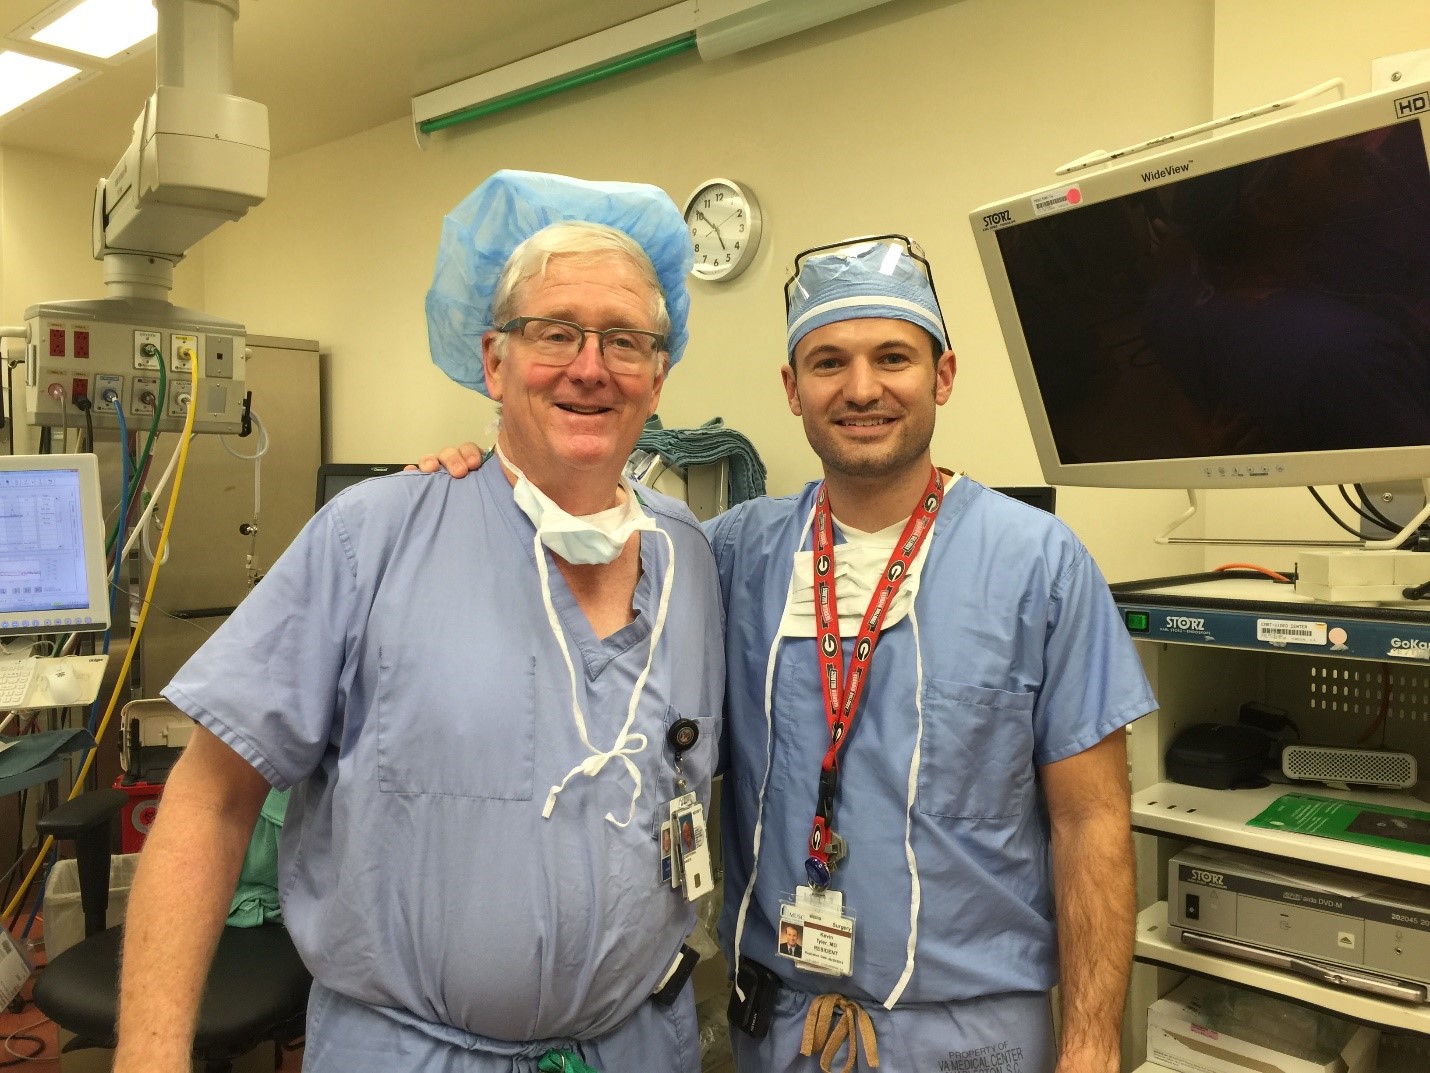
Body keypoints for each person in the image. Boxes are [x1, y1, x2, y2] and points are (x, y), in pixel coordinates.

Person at [423, 234, 1156, 1073]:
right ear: (792, 389)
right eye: (827, 361)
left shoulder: (1039, 565)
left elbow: (1090, 818)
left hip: (970, 1034)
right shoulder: (728, 556)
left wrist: (1093, 1042)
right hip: (779, 1027)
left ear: (942, 375)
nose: (862, 388)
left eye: (893, 357)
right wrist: (485, 477)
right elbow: (584, 561)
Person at [111, 170, 725, 1073]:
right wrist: (149, 1058)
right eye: (554, 332)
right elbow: (210, 797)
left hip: (638, 1045)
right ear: (493, 359)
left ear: (658, 372)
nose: (591, 366)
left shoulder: (696, 560)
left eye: (626, 339)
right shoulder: (375, 536)